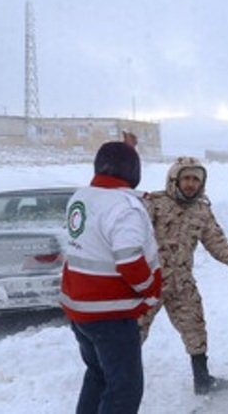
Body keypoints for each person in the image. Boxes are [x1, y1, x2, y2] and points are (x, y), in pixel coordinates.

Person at [138, 157, 228, 395]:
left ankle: (202, 379)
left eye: (196, 179)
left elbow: (216, 242)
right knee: (134, 333)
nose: (190, 184)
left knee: (195, 328)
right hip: (149, 283)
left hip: (182, 283)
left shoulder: (201, 210)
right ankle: (121, 381)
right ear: (175, 178)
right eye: (186, 178)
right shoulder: (154, 204)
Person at [60, 141, 163, 414]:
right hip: (110, 315)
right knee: (124, 389)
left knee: (97, 375)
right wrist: (150, 288)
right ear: (133, 170)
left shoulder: (82, 197)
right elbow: (129, 259)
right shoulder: (124, 206)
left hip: (80, 309)